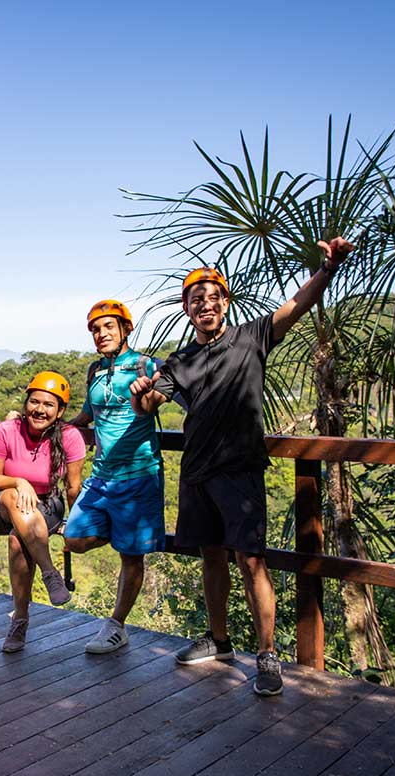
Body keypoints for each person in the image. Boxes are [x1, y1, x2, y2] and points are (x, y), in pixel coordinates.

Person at [132, 237, 355, 696]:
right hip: (196, 472)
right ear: (187, 309)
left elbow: (297, 303)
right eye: (197, 300)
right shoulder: (181, 361)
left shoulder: (252, 336)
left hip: (240, 470)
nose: (206, 305)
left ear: (225, 303)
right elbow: (150, 404)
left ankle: (268, 654)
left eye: (214, 297)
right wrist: (140, 395)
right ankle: (220, 642)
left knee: (251, 560)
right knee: (211, 557)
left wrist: (328, 269)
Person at [64, 300, 165, 654]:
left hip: (138, 475)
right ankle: (122, 534)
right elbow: (86, 415)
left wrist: (148, 394)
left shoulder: (144, 365)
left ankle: (116, 625)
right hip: (101, 476)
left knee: (131, 558)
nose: (101, 334)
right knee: (74, 538)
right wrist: (47, 426)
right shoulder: (94, 371)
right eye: (95, 328)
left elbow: (155, 402)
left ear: (126, 330)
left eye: (109, 326)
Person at [0, 371, 85, 653]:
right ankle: (50, 572)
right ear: (26, 403)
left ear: (61, 410)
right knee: (17, 498)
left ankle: (20, 620)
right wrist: (19, 481)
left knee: (19, 540)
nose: (39, 409)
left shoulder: (70, 437)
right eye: (34, 402)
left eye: (49, 404)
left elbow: (72, 486)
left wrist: (74, 525)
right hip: (1, 500)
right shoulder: (7, 431)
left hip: (47, 505)